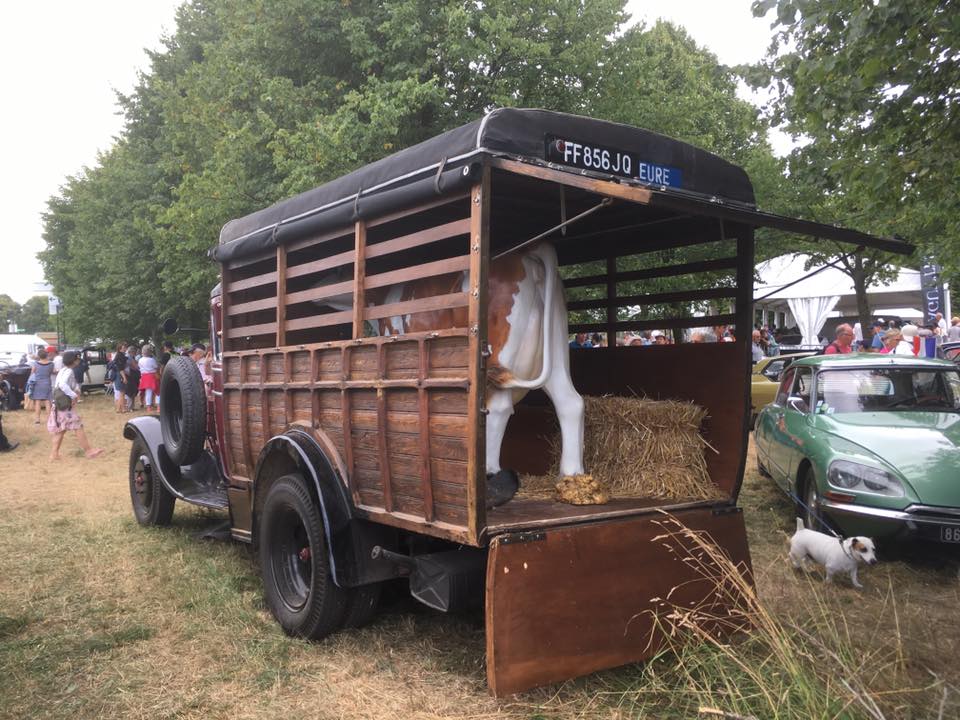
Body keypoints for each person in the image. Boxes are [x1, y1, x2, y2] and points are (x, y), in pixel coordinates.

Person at [48, 351, 103, 460]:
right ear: (73, 360)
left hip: (59, 404)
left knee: (61, 430)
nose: (79, 360)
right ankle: (89, 451)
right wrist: (74, 395)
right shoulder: (69, 371)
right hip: (66, 406)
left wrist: (76, 390)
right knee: (78, 426)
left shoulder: (63, 370)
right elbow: (63, 385)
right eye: (77, 358)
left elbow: (62, 385)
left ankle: (54, 454)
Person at [31, 348, 55, 426]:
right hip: (47, 383)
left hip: (37, 384)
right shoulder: (51, 364)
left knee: (37, 402)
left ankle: (37, 420)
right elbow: (52, 372)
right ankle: (49, 420)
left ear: (38, 356)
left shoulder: (35, 364)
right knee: (48, 402)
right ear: (47, 355)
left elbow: (32, 373)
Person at [138, 344, 160, 413]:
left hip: (144, 376)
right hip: (152, 375)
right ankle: (159, 407)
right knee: (158, 392)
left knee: (148, 392)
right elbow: (156, 367)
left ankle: (148, 407)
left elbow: (139, 368)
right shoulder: (151, 360)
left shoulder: (140, 360)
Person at [111, 342, 128, 413]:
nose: (125, 349)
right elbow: (120, 369)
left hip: (118, 374)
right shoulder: (120, 356)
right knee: (122, 392)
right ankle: (122, 409)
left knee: (121, 392)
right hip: (120, 374)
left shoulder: (119, 355)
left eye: (125, 347)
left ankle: (119, 409)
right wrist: (124, 378)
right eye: (124, 348)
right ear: (120, 348)